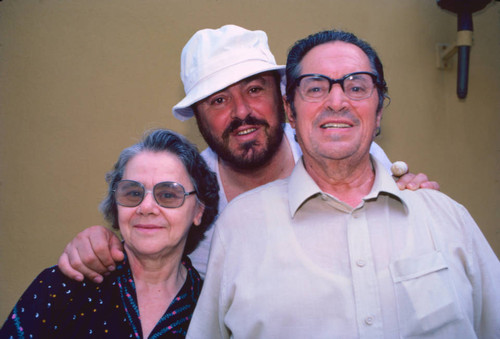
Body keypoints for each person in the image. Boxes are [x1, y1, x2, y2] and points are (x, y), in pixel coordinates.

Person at [56, 25, 439, 282]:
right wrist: (99, 244)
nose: (241, 112)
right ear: (198, 119)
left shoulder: (337, 148)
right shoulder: (186, 195)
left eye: (255, 89)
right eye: (219, 100)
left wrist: (413, 194)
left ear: (283, 98)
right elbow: (146, 248)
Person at [185, 29, 500, 338]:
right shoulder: (223, 222)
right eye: (316, 88)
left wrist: (425, 204)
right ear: (291, 110)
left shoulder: (444, 217)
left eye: (357, 86)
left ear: (379, 111)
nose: (337, 102)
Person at [0, 129, 219, 338]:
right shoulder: (61, 287)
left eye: (169, 194)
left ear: (198, 211)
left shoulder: (212, 312)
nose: (146, 207)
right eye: (133, 193)